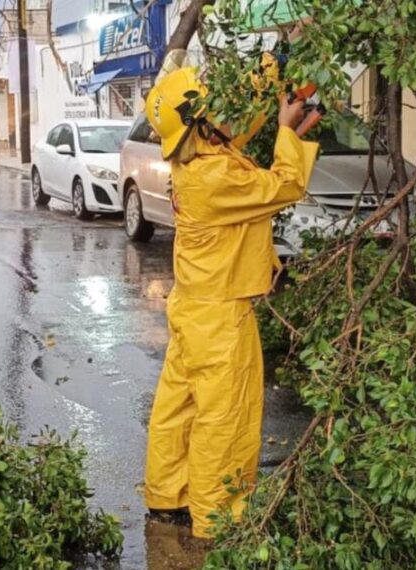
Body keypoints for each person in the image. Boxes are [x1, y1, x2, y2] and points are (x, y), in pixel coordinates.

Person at [142, 57, 320, 539]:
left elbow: (236, 131)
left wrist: (277, 70)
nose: (227, 117)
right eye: (214, 108)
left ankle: (169, 496)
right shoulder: (214, 179)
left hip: (193, 309)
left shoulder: (198, 162)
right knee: (226, 420)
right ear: (201, 124)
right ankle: (219, 521)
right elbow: (285, 185)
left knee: (179, 410)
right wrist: (289, 134)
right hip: (220, 317)